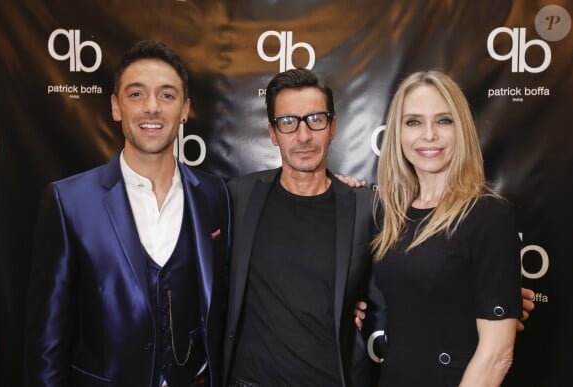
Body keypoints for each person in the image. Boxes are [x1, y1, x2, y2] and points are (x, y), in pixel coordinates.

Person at [24, 40, 231, 387]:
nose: (152, 108)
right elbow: (48, 340)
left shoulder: (215, 195)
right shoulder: (68, 201)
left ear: (185, 109)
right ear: (116, 107)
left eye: (167, 95)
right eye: (136, 94)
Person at [222, 68, 386, 387]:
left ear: (333, 126)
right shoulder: (236, 197)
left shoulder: (363, 207)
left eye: (315, 119)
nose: (303, 136)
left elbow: (410, 285)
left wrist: (488, 298)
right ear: (272, 133)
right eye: (288, 122)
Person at [370, 69, 522, 386]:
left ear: (461, 129)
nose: (429, 135)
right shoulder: (390, 214)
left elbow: (497, 354)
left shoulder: (487, 214)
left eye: (444, 121)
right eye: (413, 121)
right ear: (396, 132)